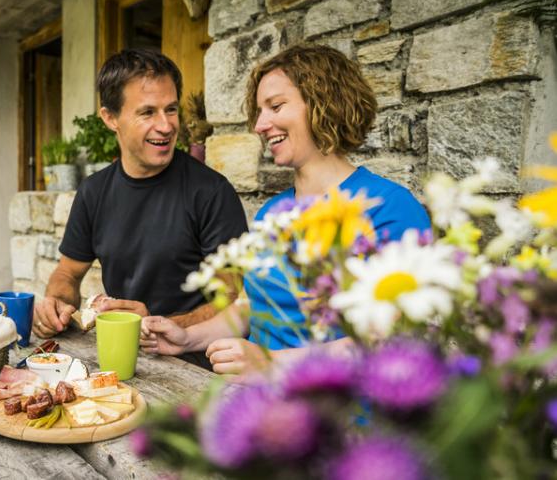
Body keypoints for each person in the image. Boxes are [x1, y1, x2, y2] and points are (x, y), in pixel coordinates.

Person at [140, 44, 431, 374]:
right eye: (260, 111)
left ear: (325, 103)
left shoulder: (391, 208)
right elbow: (250, 308)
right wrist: (187, 337)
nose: (260, 125)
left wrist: (270, 365)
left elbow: (391, 339)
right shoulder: (272, 213)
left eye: (275, 106)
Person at [33, 49, 248, 366]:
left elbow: (232, 297)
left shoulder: (212, 192)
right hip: (119, 358)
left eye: (171, 109)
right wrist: (57, 304)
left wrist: (160, 323)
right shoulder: (93, 191)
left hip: (197, 367)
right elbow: (68, 271)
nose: (165, 126)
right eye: (147, 112)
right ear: (110, 118)